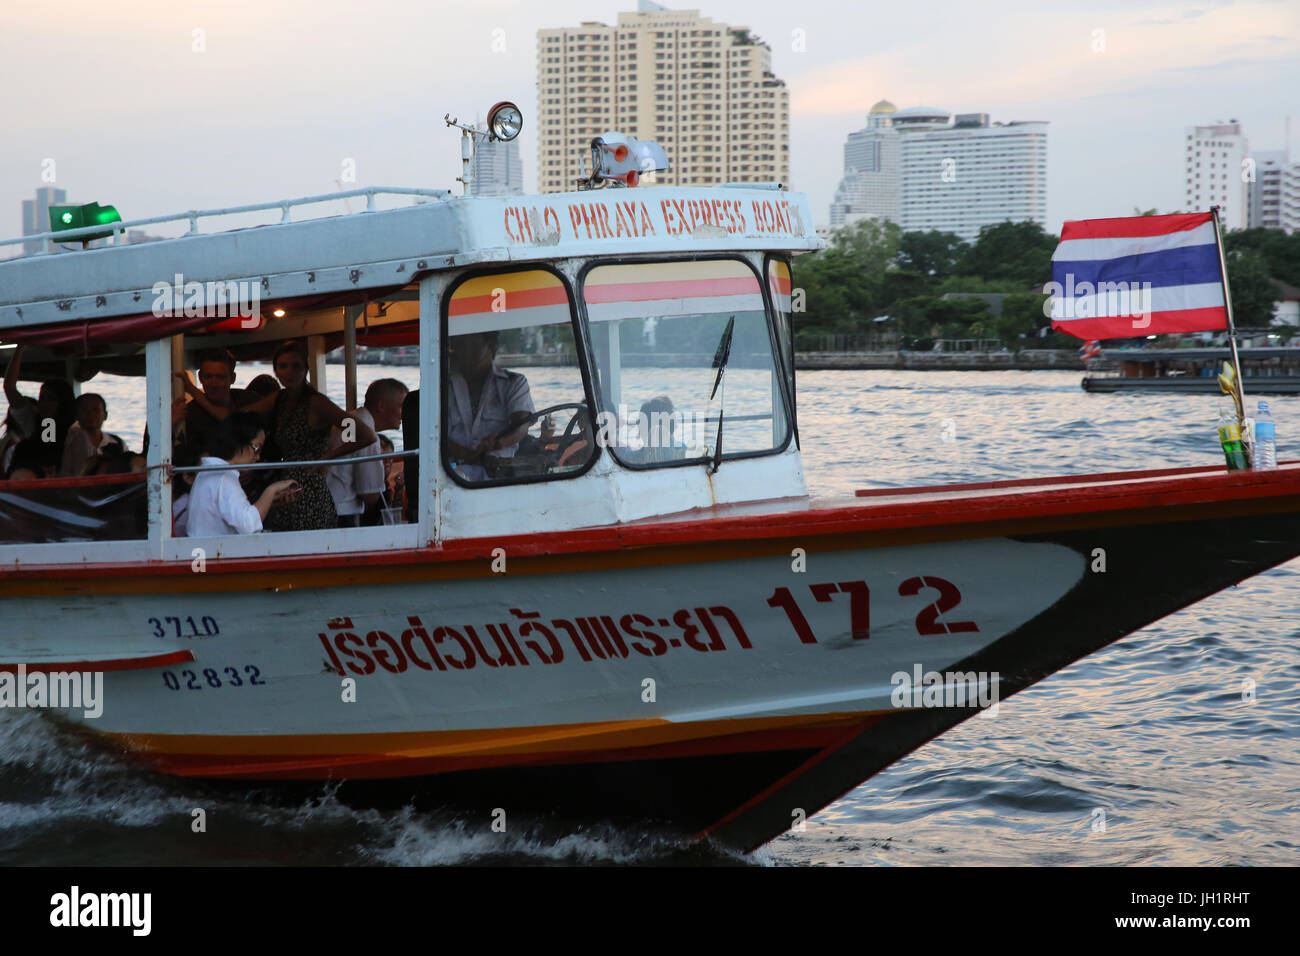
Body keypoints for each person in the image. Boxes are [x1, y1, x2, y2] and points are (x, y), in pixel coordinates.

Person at [240, 340, 377, 531]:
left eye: (296, 366)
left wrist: (327, 458)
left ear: (306, 369)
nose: (289, 372)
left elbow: (365, 435)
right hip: (284, 487)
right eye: (283, 366)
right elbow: (239, 416)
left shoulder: (317, 403)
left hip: (309, 488)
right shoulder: (279, 399)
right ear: (276, 371)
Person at [186, 412, 299, 537]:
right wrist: (272, 490)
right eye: (257, 448)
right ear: (239, 441)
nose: (258, 456)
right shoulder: (224, 477)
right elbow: (248, 525)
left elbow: (236, 516)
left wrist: (269, 501)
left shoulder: (209, 471)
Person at [445, 331, 534, 481]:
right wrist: (472, 457)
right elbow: (438, 438)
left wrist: (499, 443)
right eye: (460, 344)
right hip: (451, 479)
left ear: (492, 347)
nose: (465, 350)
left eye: (472, 345)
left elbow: (522, 425)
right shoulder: (443, 387)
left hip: (500, 479)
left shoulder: (513, 383)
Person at [325, 377, 407, 527]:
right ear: (381, 406)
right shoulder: (368, 435)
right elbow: (370, 494)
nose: (404, 414)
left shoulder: (351, 419)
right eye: (401, 406)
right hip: (342, 514)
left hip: (327, 505)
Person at [174, 348, 253, 456]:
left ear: (233, 378)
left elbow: (237, 425)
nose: (214, 384)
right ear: (200, 378)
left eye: (220, 377)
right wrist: (169, 423)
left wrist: (194, 391)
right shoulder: (189, 413)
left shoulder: (248, 400)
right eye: (208, 377)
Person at [61, 393, 123, 477]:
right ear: (76, 415)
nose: (91, 414)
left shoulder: (117, 442)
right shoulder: (68, 441)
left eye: (96, 410)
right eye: (84, 410)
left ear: (105, 415)